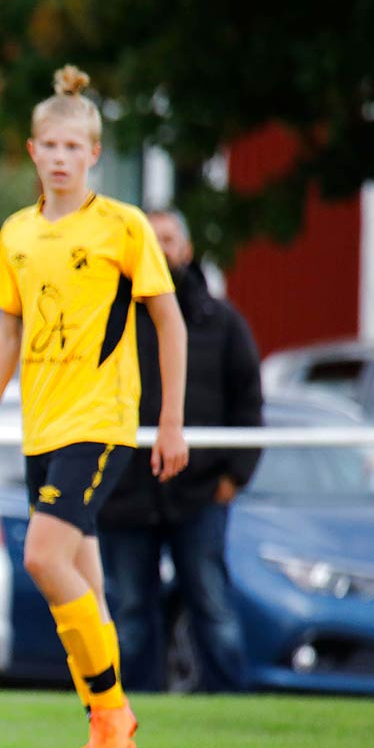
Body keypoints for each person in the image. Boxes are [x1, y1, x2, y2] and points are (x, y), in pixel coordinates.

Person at [0, 65, 189, 748]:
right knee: (86, 580)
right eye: (49, 147)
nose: (61, 158)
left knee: (42, 558)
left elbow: (170, 323)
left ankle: (111, 712)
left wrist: (171, 422)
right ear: (33, 152)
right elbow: (7, 334)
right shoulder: (18, 234)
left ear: (94, 154)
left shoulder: (123, 227)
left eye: (74, 148)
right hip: (43, 426)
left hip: (101, 420)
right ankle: (110, 734)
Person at [97, 209, 263, 691]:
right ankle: (130, 709)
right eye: (149, 239)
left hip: (200, 489)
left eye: (168, 238)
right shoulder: (111, 318)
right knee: (129, 610)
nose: (161, 248)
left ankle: (231, 702)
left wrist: (235, 476)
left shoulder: (222, 322)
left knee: (211, 603)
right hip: (125, 491)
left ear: (186, 249)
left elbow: (249, 401)